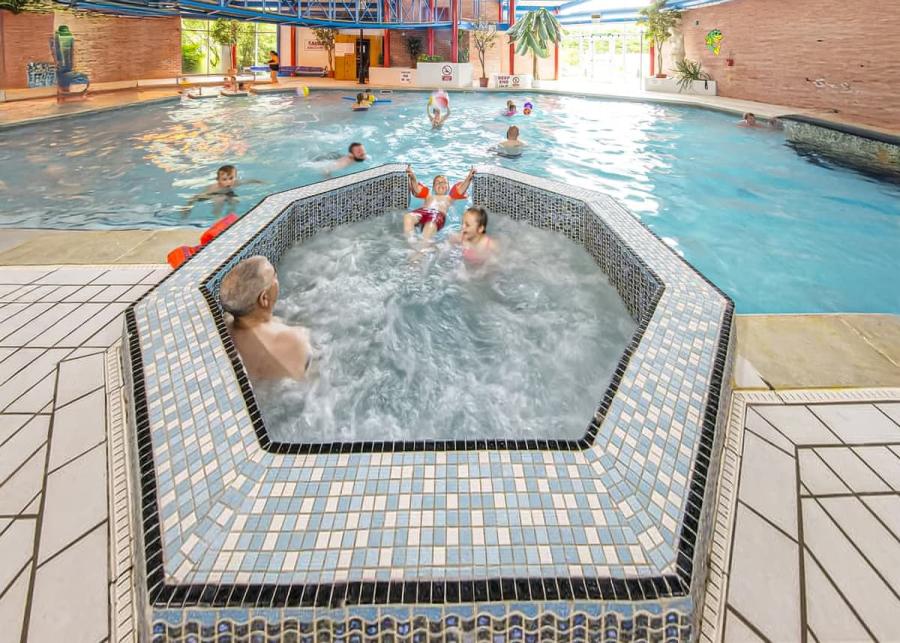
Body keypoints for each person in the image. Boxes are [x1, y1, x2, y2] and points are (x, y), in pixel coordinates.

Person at [219, 256, 312, 382]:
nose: (277, 278)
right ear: (264, 299)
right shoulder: (294, 341)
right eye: (274, 274)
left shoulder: (225, 325)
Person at [403, 165, 475, 243]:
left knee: (430, 227)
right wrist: (412, 176)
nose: (440, 184)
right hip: (422, 211)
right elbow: (416, 188)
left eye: (444, 182)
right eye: (437, 182)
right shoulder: (428, 195)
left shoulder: (450, 197)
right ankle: (412, 242)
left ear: (448, 187)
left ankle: (421, 247)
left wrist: (469, 177)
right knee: (408, 217)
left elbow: (462, 188)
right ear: (433, 188)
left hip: (437, 215)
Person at [186, 165, 263, 216]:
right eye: (224, 179)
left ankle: (230, 216)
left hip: (227, 193)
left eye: (231, 178)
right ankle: (217, 216)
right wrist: (189, 206)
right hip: (213, 194)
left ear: (235, 177)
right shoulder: (214, 188)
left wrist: (260, 182)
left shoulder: (235, 183)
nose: (228, 181)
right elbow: (196, 197)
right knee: (219, 200)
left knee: (234, 201)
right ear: (218, 180)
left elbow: (248, 181)